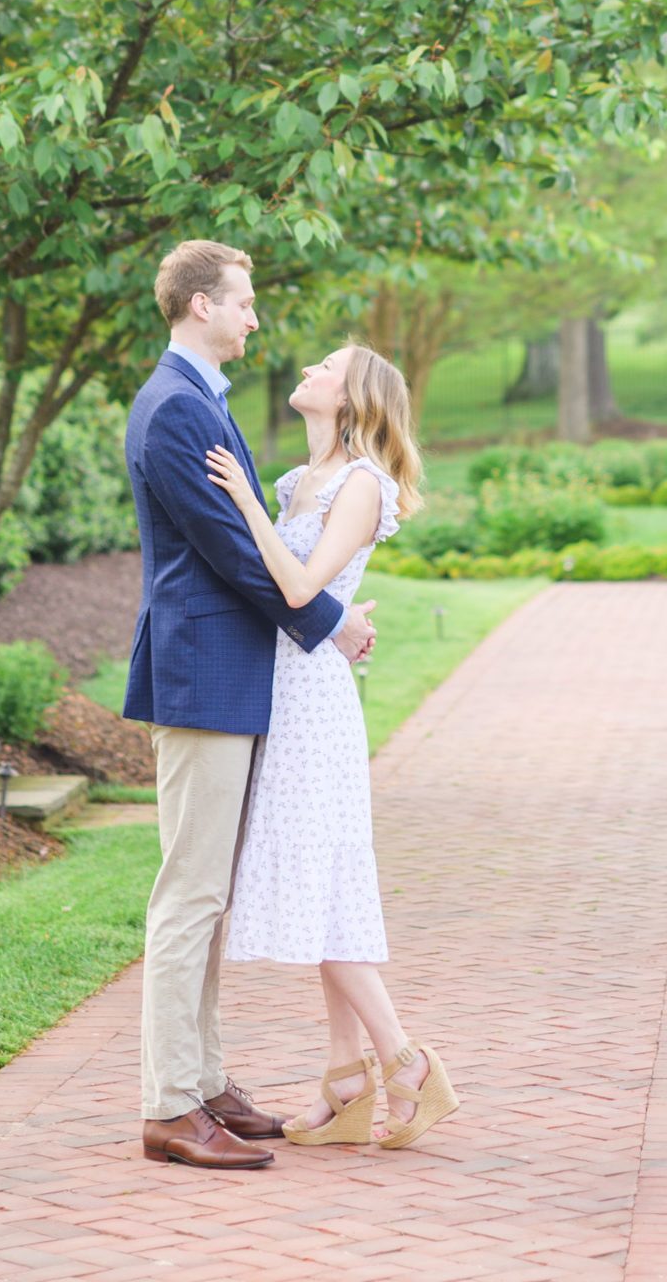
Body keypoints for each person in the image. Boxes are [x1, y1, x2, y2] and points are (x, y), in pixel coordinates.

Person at [124, 240, 377, 1173]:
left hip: (231, 674)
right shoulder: (175, 411)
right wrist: (332, 624)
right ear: (199, 306)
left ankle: (205, 1084)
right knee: (188, 894)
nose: (255, 318)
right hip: (202, 676)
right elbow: (236, 554)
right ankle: (166, 1107)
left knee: (211, 895)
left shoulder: (201, 402)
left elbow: (247, 544)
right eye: (243, 303)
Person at [204, 340, 460, 1151]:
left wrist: (245, 504)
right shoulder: (298, 482)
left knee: (317, 892)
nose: (307, 369)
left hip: (313, 703)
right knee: (330, 891)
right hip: (283, 687)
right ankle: (346, 1080)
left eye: (325, 367)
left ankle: (404, 1061)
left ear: (350, 400)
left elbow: (297, 587)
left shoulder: (361, 486)